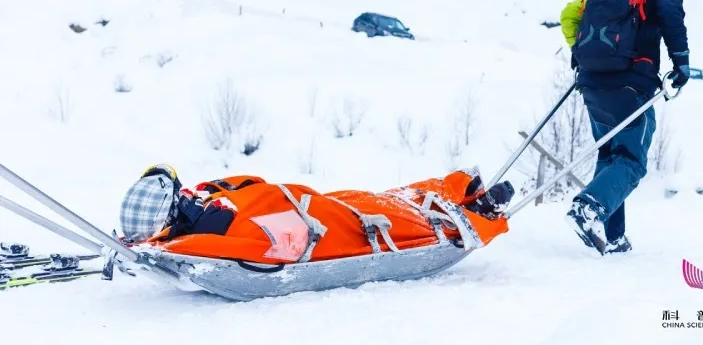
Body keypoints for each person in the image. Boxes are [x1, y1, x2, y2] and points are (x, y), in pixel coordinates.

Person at [560, 0, 689, 255]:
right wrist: (681, 63)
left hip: (592, 84)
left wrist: (578, 54)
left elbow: (568, 15)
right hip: (632, 85)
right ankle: (588, 208)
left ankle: (615, 237)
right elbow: (673, 22)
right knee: (631, 161)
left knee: (610, 157)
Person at [119, 164, 514, 264]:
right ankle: (477, 205)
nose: (189, 193)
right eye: (181, 195)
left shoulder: (210, 207)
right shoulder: (214, 233)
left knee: (395, 202)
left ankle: (465, 195)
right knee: (401, 213)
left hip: (327, 208)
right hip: (333, 221)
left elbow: (252, 184)